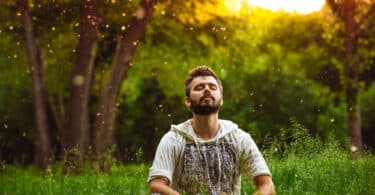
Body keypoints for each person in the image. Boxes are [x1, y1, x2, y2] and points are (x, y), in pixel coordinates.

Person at [148, 66, 275, 195]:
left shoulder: (239, 138)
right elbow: (156, 186)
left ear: (221, 99)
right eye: (199, 87)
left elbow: (267, 185)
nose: (207, 89)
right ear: (187, 101)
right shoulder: (173, 139)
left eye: (213, 87)